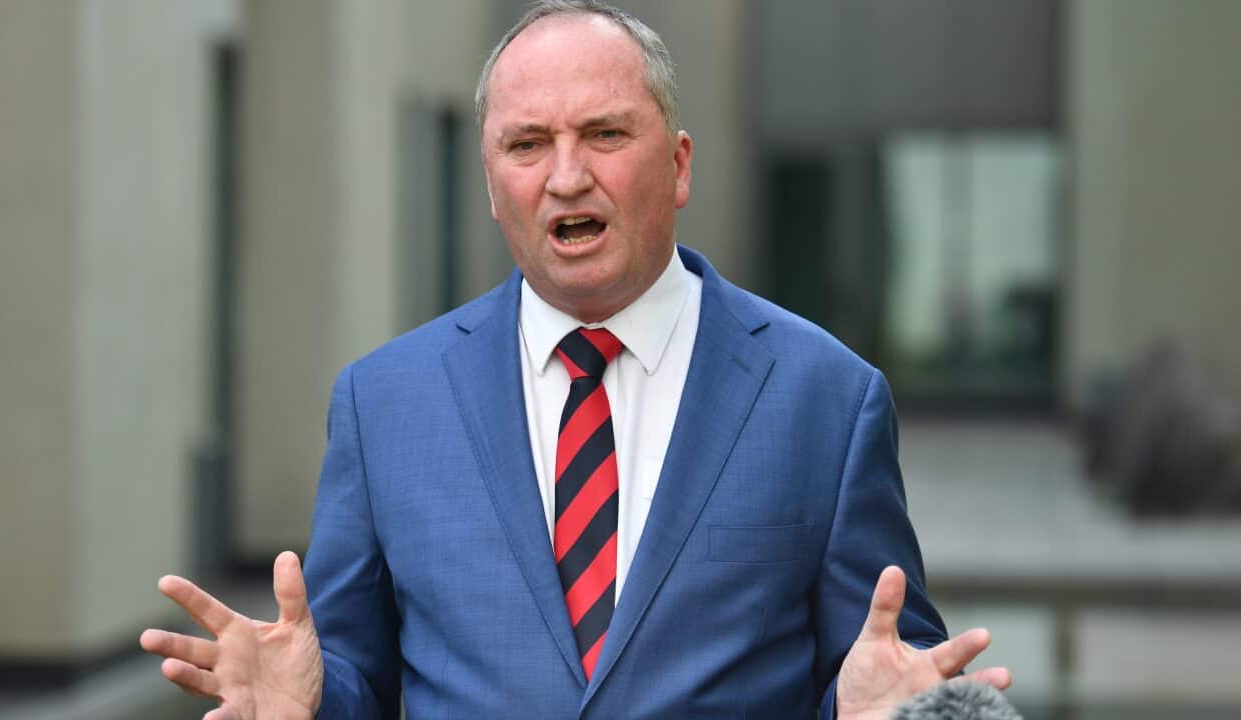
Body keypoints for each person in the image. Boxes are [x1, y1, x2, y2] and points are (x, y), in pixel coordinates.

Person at [140, 2, 1011, 718]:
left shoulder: (827, 397)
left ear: (677, 166)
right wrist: (315, 703)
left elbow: (879, 670)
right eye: (526, 145)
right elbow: (358, 680)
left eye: (603, 134)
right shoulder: (384, 403)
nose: (565, 176)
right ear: (490, 184)